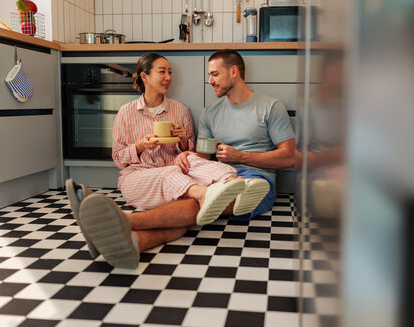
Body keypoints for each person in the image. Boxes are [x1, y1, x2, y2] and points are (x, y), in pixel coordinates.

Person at [65, 52, 269, 269]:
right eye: (162, 71)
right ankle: (207, 192)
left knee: (191, 202)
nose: (168, 77)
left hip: (179, 182)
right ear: (144, 76)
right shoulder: (126, 113)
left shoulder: (180, 111)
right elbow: (118, 158)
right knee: (174, 174)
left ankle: (134, 241)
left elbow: (191, 154)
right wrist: (141, 146)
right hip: (138, 178)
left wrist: (182, 143)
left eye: (170, 72)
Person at [174, 49, 296, 221]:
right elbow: (203, 157)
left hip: (257, 180)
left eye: (215, 74)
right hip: (218, 177)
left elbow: (290, 157)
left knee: (192, 206)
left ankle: (130, 225)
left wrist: (241, 156)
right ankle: (131, 227)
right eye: (210, 75)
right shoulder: (209, 113)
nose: (210, 81)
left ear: (234, 72)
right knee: (187, 197)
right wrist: (188, 154)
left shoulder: (271, 107)